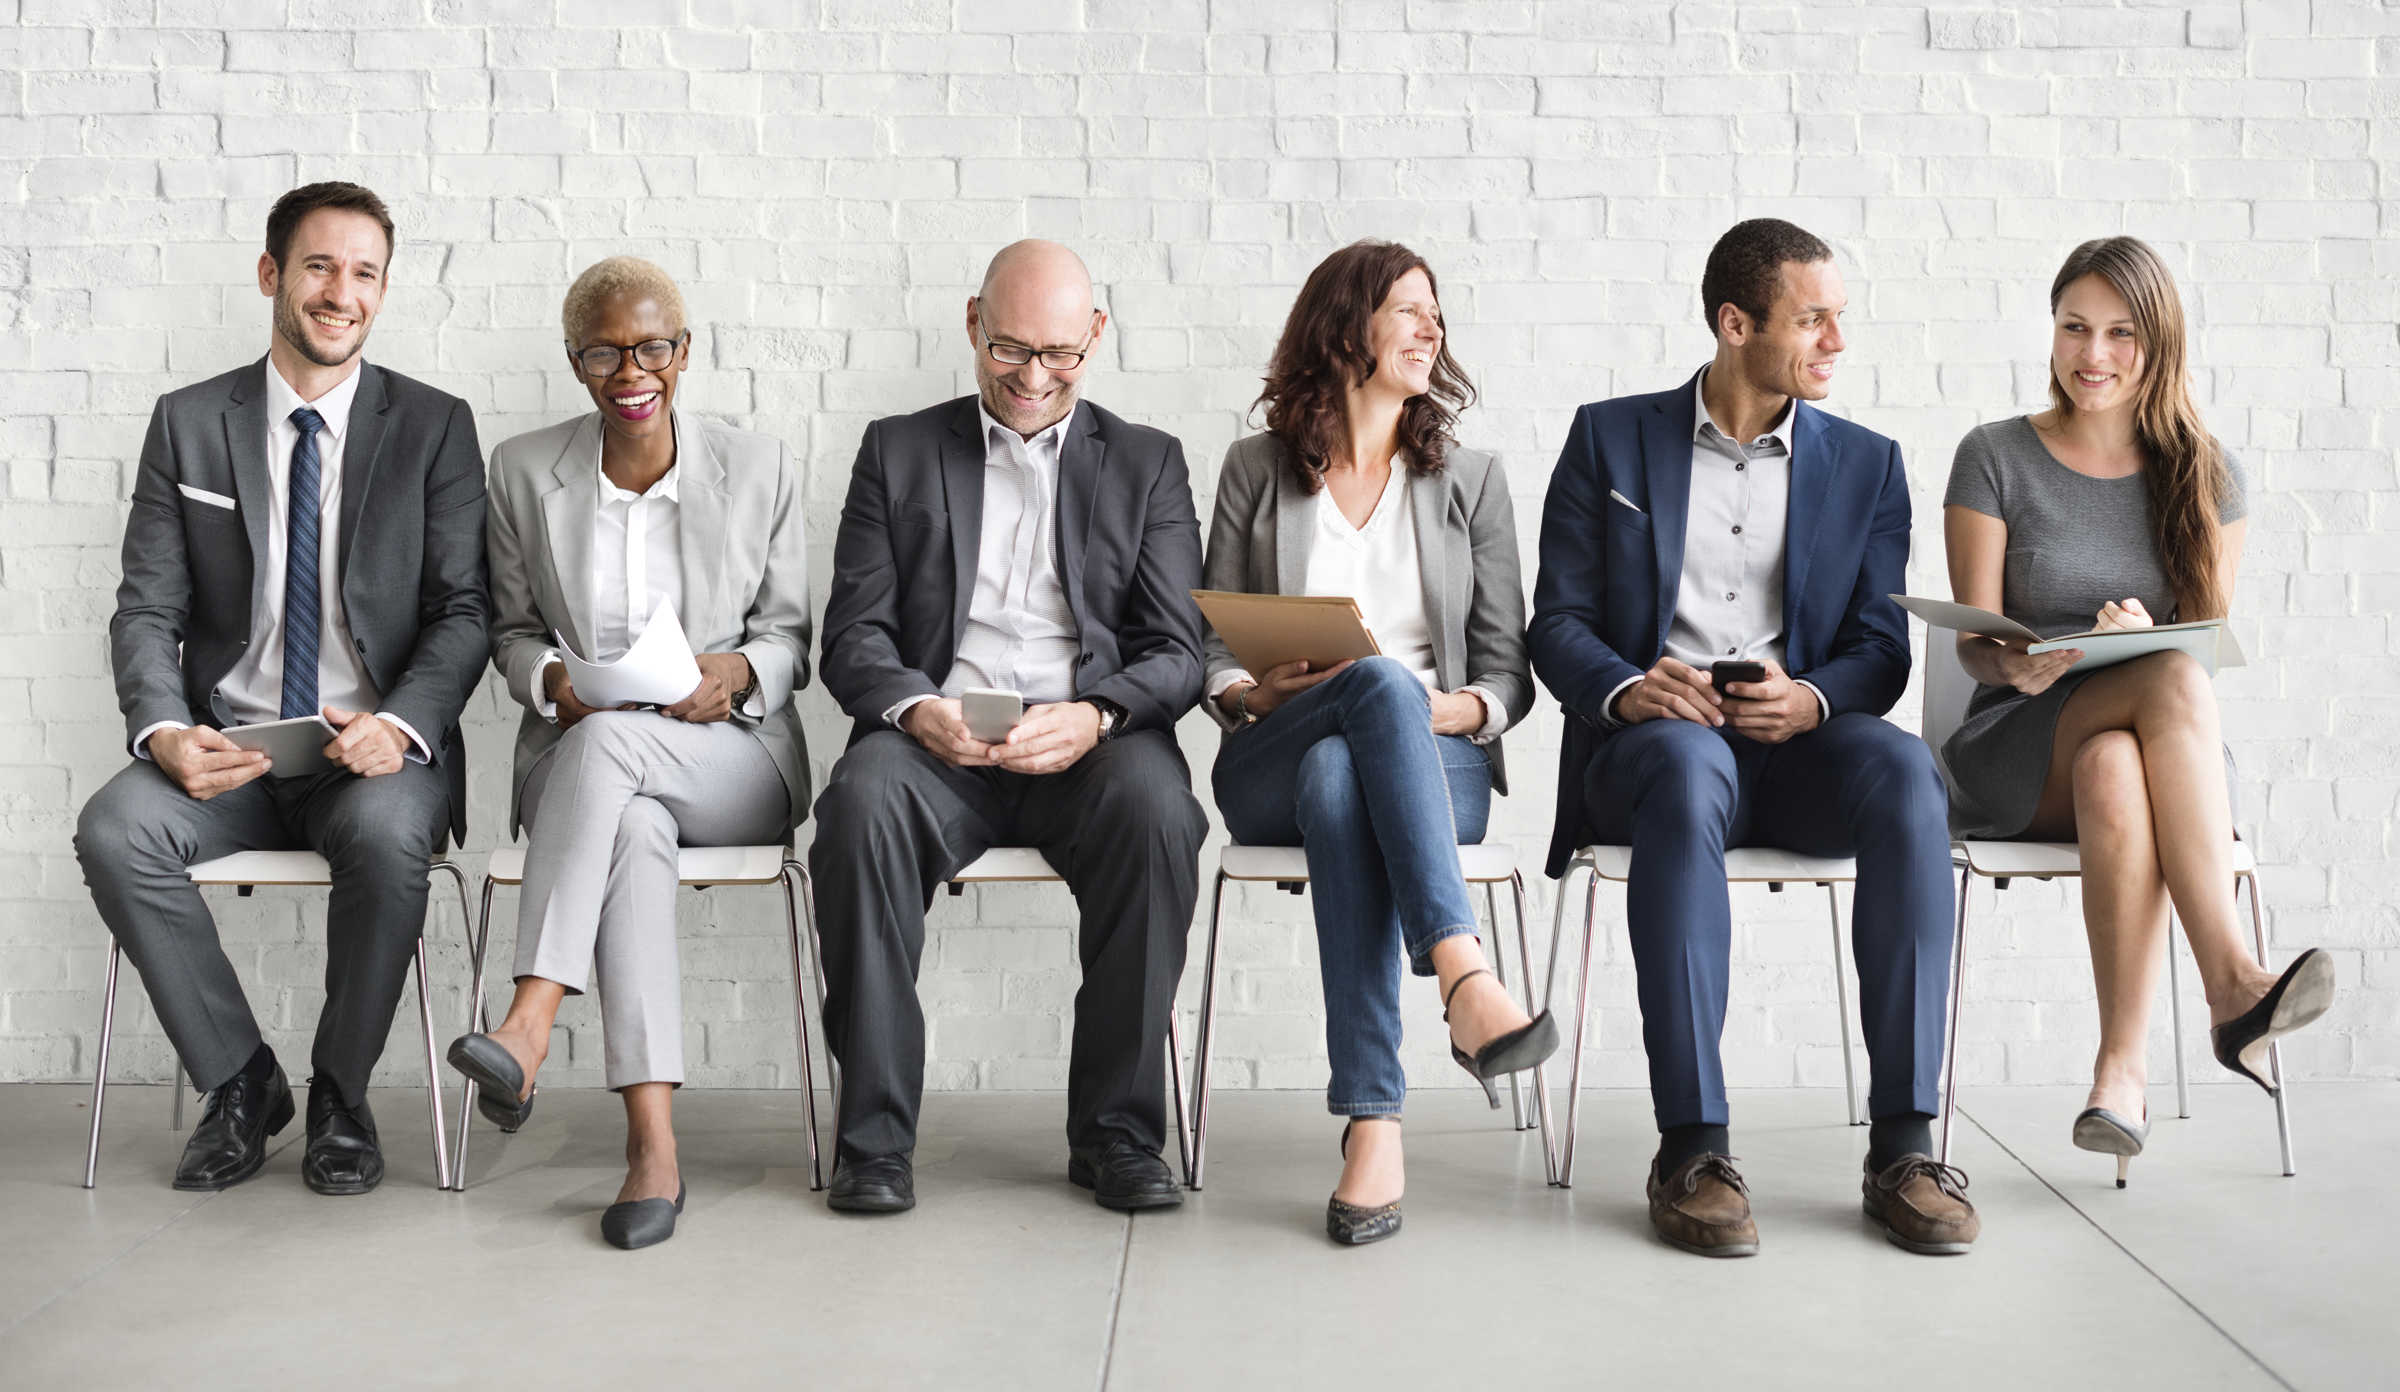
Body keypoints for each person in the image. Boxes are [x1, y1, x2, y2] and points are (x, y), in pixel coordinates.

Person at [1528, 218, 1978, 1257]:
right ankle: (1692, 1146)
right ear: (1736, 324)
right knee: (1688, 767)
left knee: (1908, 769)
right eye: (1812, 318)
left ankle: (1905, 1146)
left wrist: (1813, 699)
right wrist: (1629, 689)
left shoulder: (1869, 465)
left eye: (1838, 318)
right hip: (1655, 750)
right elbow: (1556, 622)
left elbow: (1879, 646)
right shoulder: (1610, 438)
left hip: (1799, 748)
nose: (1835, 341)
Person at [72, 182, 489, 1195]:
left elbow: (465, 609)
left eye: (364, 273)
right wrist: (164, 729)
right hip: (235, 752)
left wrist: (400, 725)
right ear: (272, 275)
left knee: (391, 838)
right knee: (115, 829)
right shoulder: (189, 424)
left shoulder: (434, 426)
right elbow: (145, 610)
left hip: (368, 758)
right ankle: (242, 1081)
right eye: (318, 266)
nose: (340, 292)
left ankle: (341, 1092)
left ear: (382, 293)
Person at [809, 239, 1207, 1216]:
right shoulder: (898, 450)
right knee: (857, 811)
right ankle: (874, 1143)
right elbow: (853, 637)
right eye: (1011, 350)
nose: (1034, 378)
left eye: (1061, 355)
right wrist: (918, 711)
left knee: (1162, 815)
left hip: (1090, 739)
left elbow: (1179, 648)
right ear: (974, 322)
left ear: (1097, 336)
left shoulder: (1148, 462)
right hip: (936, 737)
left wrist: (1097, 714)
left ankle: (1115, 1135)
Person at [1941, 236, 2336, 1185]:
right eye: (2075, 327)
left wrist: (2146, 629)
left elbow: (2205, 647)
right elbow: (1972, 643)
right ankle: (2234, 983)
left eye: (2120, 333)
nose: (2094, 354)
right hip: (2018, 745)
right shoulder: (1995, 456)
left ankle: (2119, 1077)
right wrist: (2019, 662)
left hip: (2154, 759)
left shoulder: (2207, 473)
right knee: (2159, 687)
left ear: (2159, 343)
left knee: (2120, 760)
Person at [444, 256, 811, 1249]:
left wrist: (731, 672)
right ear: (576, 363)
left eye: (653, 345)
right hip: (591, 770)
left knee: (615, 754)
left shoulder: (760, 465)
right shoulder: (525, 471)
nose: (631, 369)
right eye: (604, 351)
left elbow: (790, 638)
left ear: (684, 352)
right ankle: (653, 1148)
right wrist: (550, 682)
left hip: (732, 760)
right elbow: (513, 632)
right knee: (632, 827)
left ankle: (526, 1024)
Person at [1199, 240, 1550, 1245]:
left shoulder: (1470, 482)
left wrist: (1452, 709)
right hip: (1275, 741)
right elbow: (1209, 645)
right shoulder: (1255, 470)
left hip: (1432, 760)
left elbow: (1503, 671)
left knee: (1349, 764)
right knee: (1346, 723)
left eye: (1435, 311)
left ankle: (1373, 1122)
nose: (1430, 326)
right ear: (1342, 325)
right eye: (1406, 308)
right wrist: (1249, 686)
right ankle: (1464, 980)